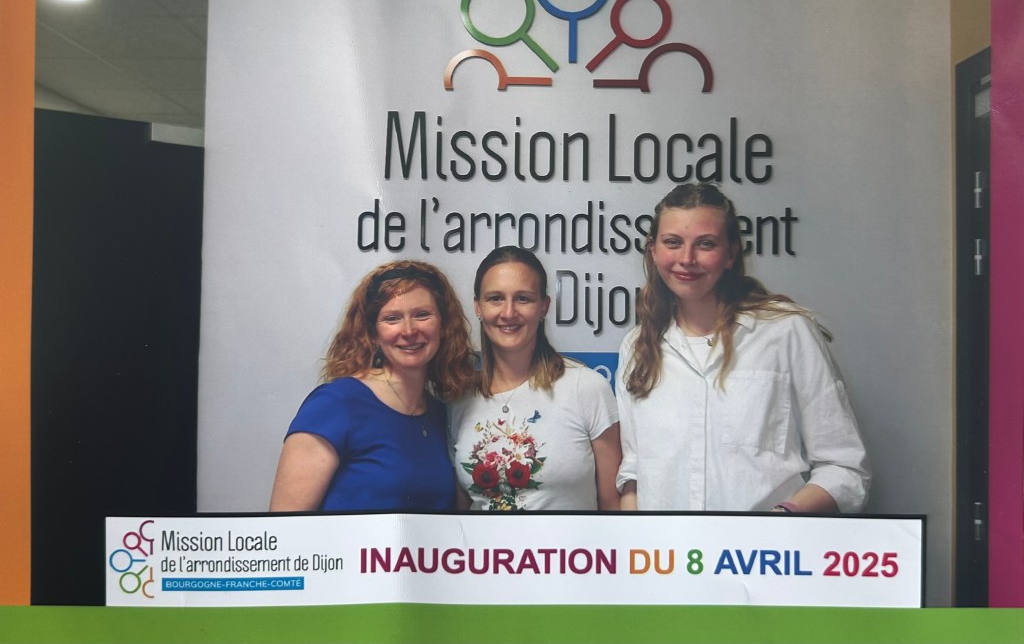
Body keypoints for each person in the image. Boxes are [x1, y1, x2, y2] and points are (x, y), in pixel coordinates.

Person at [616, 183, 870, 513]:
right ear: (653, 250)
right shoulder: (637, 346)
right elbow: (634, 474)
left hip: (767, 545)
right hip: (664, 547)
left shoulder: (786, 331)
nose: (686, 259)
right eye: (673, 242)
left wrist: (780, 520)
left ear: (732, 253)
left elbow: (845, 469)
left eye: (706, 244)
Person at [269, 260, 476, 512]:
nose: (409, 330)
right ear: (373, 333)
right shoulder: (335, 404)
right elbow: (285, 526)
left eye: (422, 315)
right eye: (392, 318)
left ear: (443, 325)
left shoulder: (440, 414)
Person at [448, 246, 622, 511]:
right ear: (478, 307)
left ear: (544, 307)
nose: (508, 312)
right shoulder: (459, 400)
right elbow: (458, 515)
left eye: (523, 299)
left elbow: (615, 508)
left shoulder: (586, 388)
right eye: (495, 298)